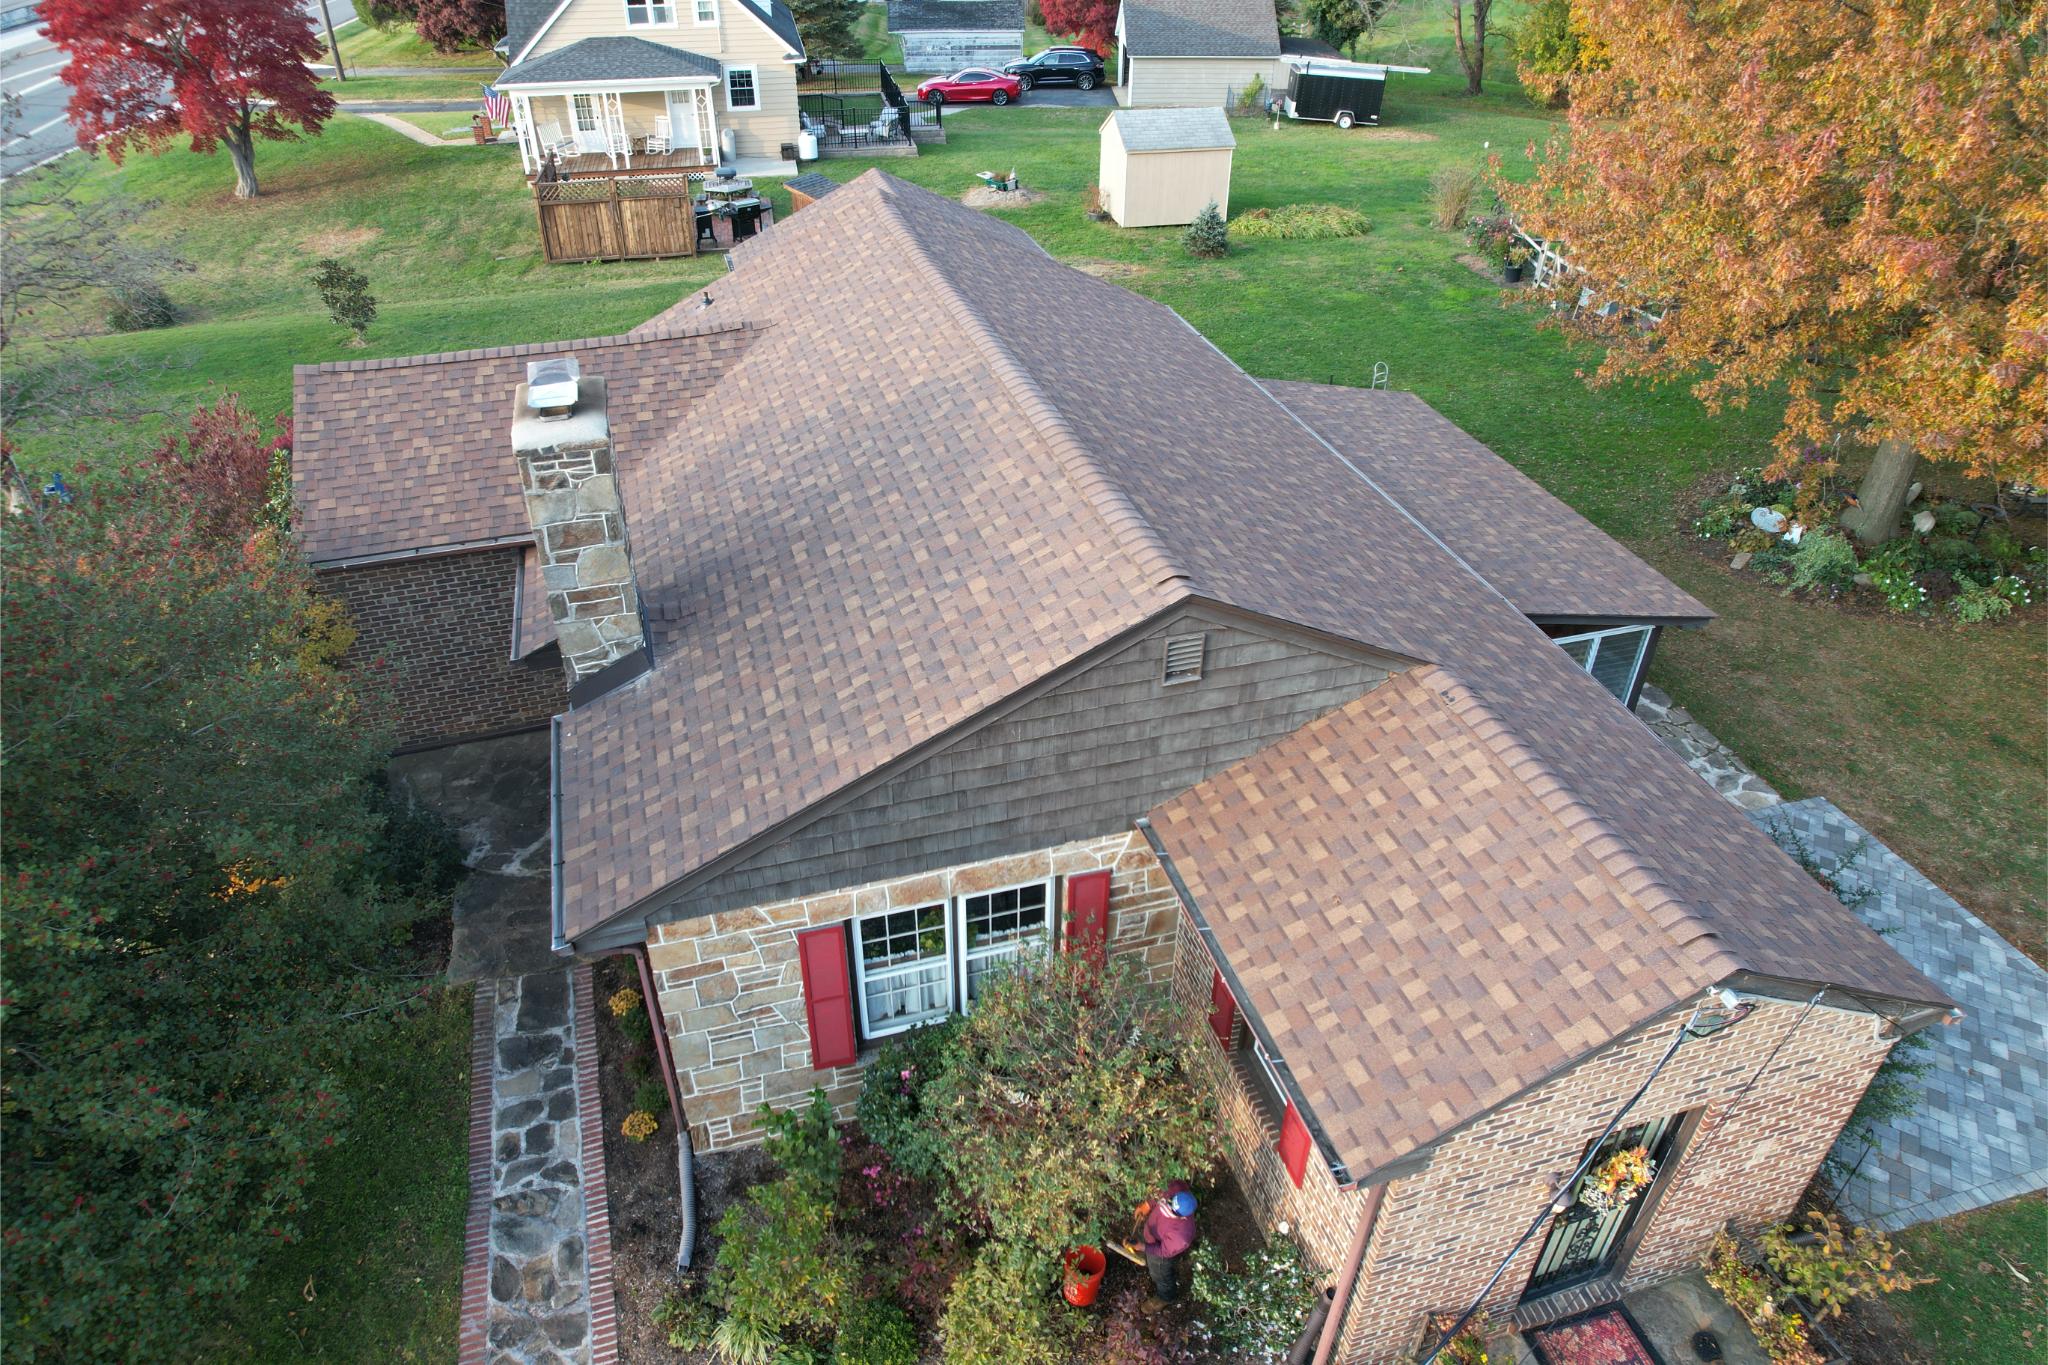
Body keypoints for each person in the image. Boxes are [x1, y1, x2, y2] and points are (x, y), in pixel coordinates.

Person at [1136, 1179, 1198, 1305]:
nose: (1166, 1207)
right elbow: (1161, 1192)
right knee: (1146, 1249)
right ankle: (1145, 1255)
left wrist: (1143, 1247)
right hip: (1151, 1234)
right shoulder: (1176, 1189)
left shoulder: (1181, 1236)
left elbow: (1163, 1251)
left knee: (1160, 1275)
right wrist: (1147, 1205)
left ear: (1182, 1216)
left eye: (1170, 1210)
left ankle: (1165, 1297)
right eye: (1169, 1202)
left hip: (1160, 1253)